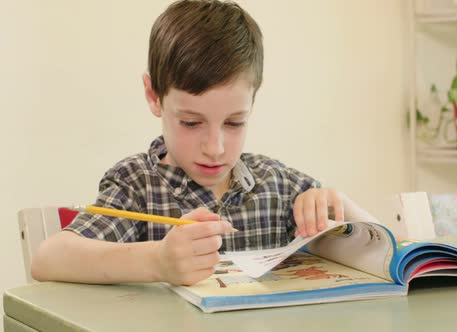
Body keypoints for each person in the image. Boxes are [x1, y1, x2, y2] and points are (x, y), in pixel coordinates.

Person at [31, 0, 377, 286]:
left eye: (234, 122)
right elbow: (48, 260)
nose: (215, 147)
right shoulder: (137, 185)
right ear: (154, 97)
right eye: (191, 123)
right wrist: (158, 261)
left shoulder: (281, 186)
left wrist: (333, 211)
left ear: (253, 100)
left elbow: (373, 255)